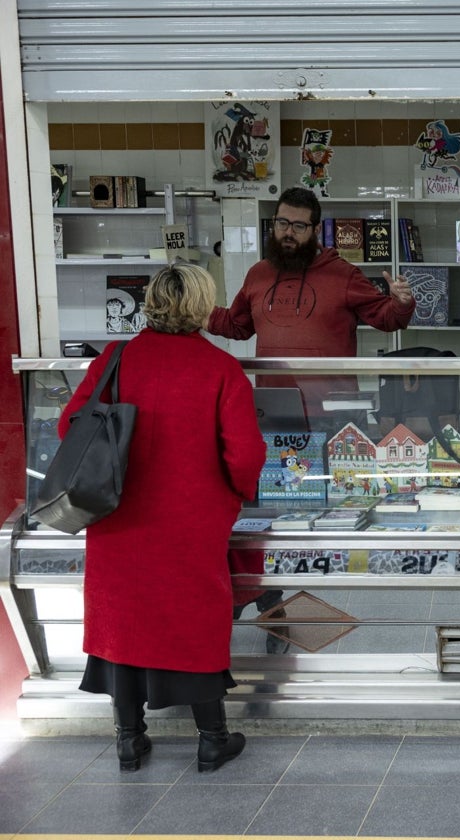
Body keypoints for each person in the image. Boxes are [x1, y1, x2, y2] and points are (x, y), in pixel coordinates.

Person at [63, 264, 267, 773]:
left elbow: (72, 423)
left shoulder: (117, 357)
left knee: (123, 623)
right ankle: (212, 739)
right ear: (202, 306)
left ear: (149, 301)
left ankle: (129, 739)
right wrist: (239, 493)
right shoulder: (219, 369)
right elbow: (243, 456)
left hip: (115, 515)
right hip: (189, 521)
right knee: (192, 625)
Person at [206, 185, 416, 419]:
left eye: (299, 226)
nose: (288, 232)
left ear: (316, 229)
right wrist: (197, 313)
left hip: (333, 412)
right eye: (282, 223)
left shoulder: (343, 274)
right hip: (275, 408)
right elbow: (237, 325)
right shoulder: (258, 274)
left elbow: (387, 318)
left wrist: (401, 303)